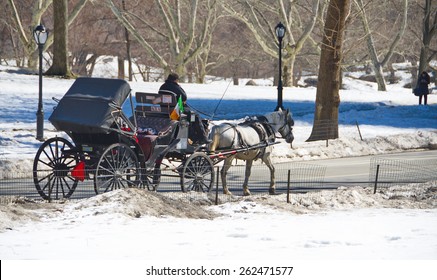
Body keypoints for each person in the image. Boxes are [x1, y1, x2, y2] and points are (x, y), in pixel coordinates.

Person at [158, 73, 209, 144]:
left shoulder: (162, 87)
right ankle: (202, 137)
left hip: (164, 110)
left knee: (190, 113)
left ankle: (192, 136)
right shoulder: (175, 86)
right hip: (175, 112)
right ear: (176, 80)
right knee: (195, 115)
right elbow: (184, 97)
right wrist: (178, 86)